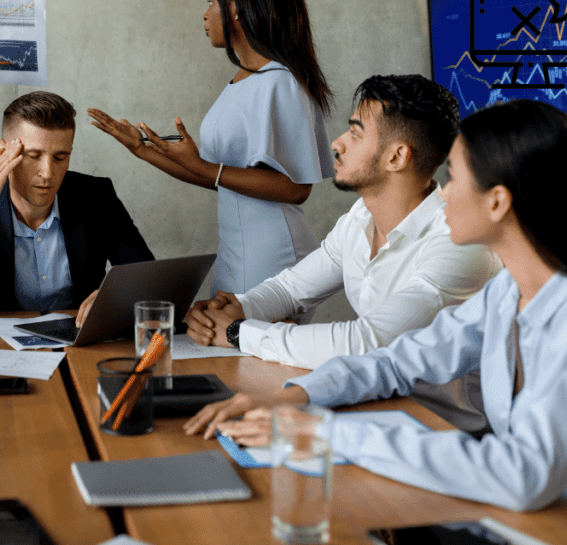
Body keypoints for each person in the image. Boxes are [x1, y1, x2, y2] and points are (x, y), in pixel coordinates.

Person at [189, 99, 567, 520]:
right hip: (520, 515)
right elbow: (397, 361)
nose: (444, 193)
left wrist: (328, 432)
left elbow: (524, 474)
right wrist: (292, 398)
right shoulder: (506, 293)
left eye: (454, 177)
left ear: (497, 202)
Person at [185, 75, 500, 433]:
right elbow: (290, 289)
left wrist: (240, 332)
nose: (337, 144)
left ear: (397, 156)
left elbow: (367, 343)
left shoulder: (458, 243)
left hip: (444, 433)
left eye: (355, 133)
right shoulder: (359, 219)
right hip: (374, 412)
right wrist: (234, 310)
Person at [88, 0, 334, 296]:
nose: (204, 15)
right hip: (237, 249)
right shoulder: (243, 80)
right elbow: (214, 176)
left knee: (243, 346)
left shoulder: (281, 82)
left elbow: (296, 188)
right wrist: (140, 149)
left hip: (270, 252)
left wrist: (206, 168)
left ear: (235, 8)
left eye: (210, 2)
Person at [0, 91, 154, 317]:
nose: (48, 173)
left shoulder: (96, 196)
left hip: (80, 348)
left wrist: (115, 297)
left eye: (60, 157)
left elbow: (148, 279)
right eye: (34, 156)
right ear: (4, 152)